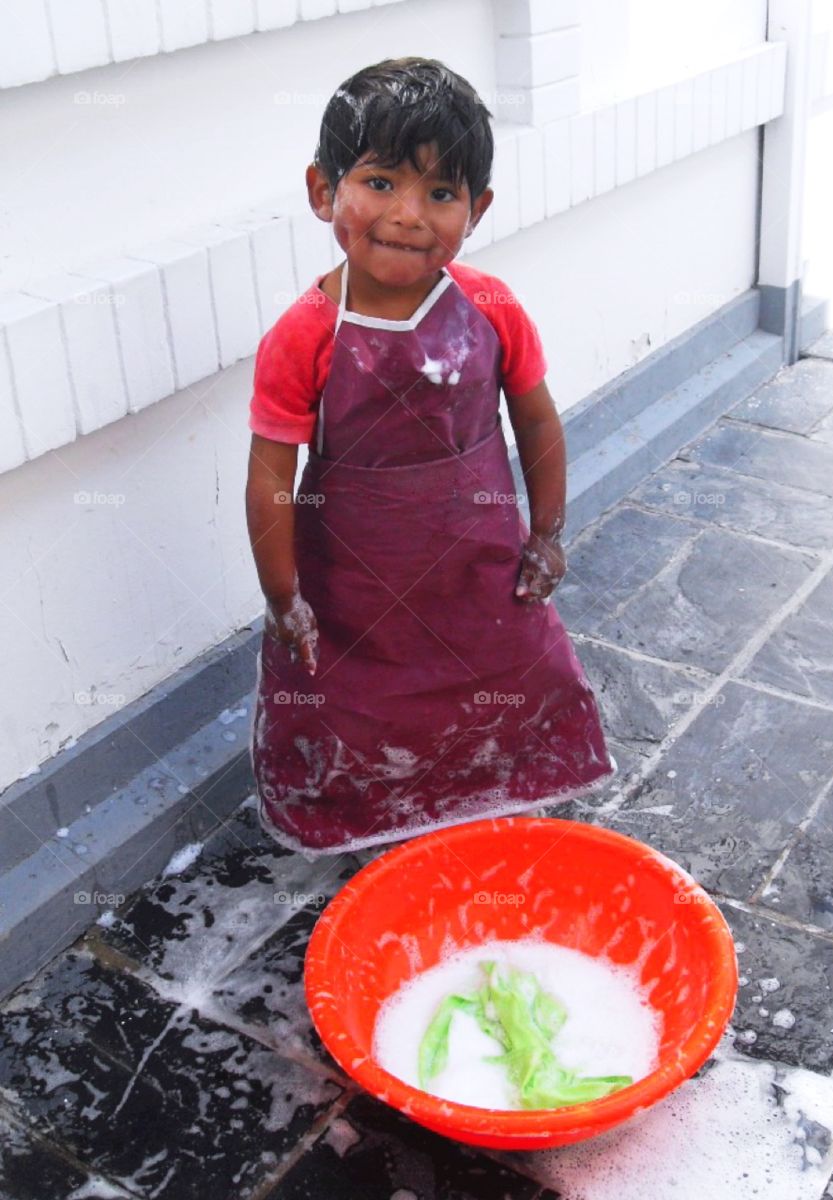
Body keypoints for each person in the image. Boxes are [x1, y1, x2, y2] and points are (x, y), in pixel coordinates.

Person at [245, 56, 616, 858]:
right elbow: (272, 476)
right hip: (353, 587)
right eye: (380, 183)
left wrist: (546, 534)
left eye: (440, 193)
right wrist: (285, 597)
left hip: (478, 567)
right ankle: (370, 822)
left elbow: (537, 421)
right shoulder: (305, 335)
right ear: (323, 191)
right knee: (356, 705)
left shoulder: (490, 309)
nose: (409, 215)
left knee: (510, 678)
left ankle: (494, 790)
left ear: (475, 211)